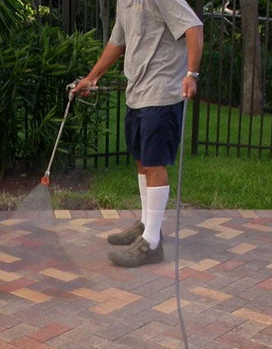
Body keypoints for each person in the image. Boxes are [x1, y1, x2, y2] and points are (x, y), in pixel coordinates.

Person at [72, 0, 203, 267]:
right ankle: (146, 225)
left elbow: (193, 27)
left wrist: (191, 73)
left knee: (154, 163)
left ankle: (152, 243)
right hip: (137, 93)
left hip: (162, 91)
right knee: (142, 160)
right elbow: (116, 43)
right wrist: (92, 78)